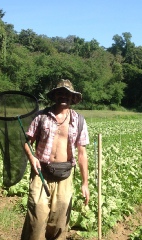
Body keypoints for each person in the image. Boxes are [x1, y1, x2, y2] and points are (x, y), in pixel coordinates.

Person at [21, 79, 90, 240]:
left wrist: (85, 183)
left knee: (59, 223)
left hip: (65, 175)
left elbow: (82, 154)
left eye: (67, 94)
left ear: (73, 98)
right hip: (41, 173)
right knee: (36, 218)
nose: (63, 96)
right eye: (60, 93)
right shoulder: (41, 117)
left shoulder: (79, 121)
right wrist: (32, 158)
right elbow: (27, 143)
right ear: (55, 96)